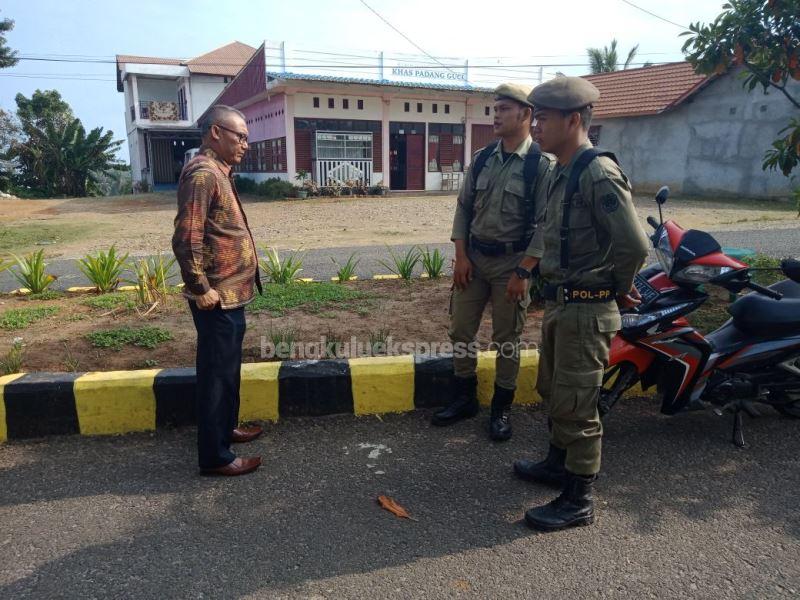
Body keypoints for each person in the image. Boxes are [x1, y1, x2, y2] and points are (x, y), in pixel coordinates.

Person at [512, 77, 650, 530]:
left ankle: (578, 500)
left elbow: (633, 245)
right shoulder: (560, 169)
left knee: (578, 404)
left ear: (573, 120)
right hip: (562, 305)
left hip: (588, 308)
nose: (537, 127)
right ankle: (557, 464)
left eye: (544, 118)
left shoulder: (596, 171)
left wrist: (617, 285)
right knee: (554, 391)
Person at [432, 83, 553, 441]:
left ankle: (501, 406)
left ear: (525, 115)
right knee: (461, 331)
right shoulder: (484, 157)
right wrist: (460, 255)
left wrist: (524, 271)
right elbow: (464, 208)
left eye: (503, 109)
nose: (495, 115)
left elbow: (546, 225)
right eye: (494, 108)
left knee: (507, 339)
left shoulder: (539, 165)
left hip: (512, 265)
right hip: (475, 259)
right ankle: (464, 397)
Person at [172, 104, 264, 476]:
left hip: (232, 294)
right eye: (239, 136)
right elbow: (186, 236)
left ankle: (226, 430)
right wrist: (200, 287)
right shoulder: (203, 174)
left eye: (246, 137)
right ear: (215, 132)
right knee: (215, 375)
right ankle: (215, 457)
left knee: (227, 371)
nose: (245, 143)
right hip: (216, 297)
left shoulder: (220, 172)